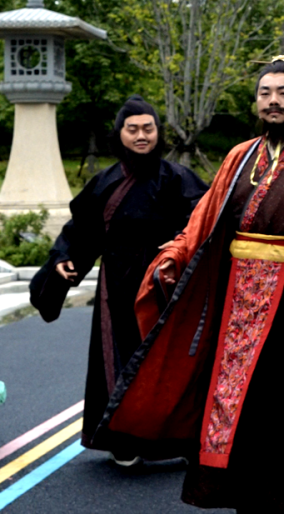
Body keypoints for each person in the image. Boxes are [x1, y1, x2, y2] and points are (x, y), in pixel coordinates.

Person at [95, 57, 284, 512]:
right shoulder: (238, 158)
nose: (273, 101)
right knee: (234, 403)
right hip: (235, 307)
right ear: (256, 102)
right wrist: (175, 255)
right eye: (265, 93)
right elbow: (202, 222)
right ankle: (242, 497)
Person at [29, 96, 208, 466]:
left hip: (165, 285)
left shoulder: (178, 179)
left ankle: (181, 438)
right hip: (118, 287)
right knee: (120, 362)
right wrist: (64, 259)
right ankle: (123, 440)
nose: (141, 136)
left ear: (158, 133)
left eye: (148, 128)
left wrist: (179, 257)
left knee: (170, 362)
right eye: (133, 129)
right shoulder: (106, 182)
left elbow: (204, 222)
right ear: (120, 134)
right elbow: (82, 230)